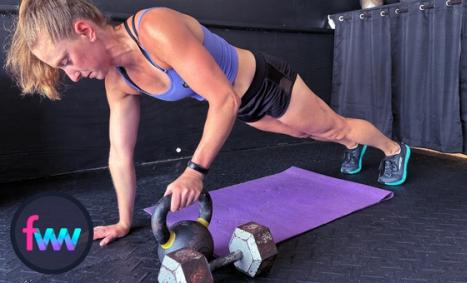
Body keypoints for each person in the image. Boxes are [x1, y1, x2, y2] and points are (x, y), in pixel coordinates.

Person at [5, 0, 411, 247]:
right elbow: (119, 154)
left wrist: (195, 172)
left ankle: (393, 149)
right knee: (302, 132)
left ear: (84, 31)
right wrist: (125, 220)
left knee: (332, 127)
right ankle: (349, 147)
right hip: (242, 104)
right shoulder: (118, 82)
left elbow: (223, 98)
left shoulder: (155, 28)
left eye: (66, 62)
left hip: (266, 83)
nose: (72, 75)